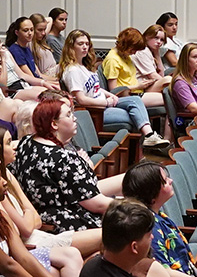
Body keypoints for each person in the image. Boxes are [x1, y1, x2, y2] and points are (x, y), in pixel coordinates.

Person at [12, 96, 122, 232]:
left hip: (47, 208)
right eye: (69, 115)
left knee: (130, 178)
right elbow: (97, 205)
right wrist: (132, 207)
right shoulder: (63, 158)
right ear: (54, 124)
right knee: (130, 219)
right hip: (67, 218)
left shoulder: (27, 142)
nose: (75, 118)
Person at [0, 124, 103, 256]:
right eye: (8, 143)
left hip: (40, 235)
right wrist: (28, 213)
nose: (14, 146)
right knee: (107, 236)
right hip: (30, 245)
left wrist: (28, 216)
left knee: (103, 246)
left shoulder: (8, 174)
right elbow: (25, 229)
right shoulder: (2, 183)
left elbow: (36, 218)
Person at [59, 29, 170, 149]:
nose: (85, 47)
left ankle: (149, 136)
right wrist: (106, 102)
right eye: (80, 44)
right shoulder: (72, 71)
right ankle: (142, 145)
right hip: (96, 111)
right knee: (134, 115)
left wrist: (109, 95)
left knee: (135, 101)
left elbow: (95, 88)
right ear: (71, 47)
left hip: (105, 102)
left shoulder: (84, 67)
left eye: (87, 44)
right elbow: (81, 100)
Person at [102, 28, 169, 108]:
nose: (135, 53)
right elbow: (114, 90)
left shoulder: (126, 56)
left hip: (138, 90)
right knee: (168, 98)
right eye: (133, 49)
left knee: (169, 88)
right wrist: (137, 86)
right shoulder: (112, 60)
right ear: (126, 45)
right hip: (129, 95)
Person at [6, 17, 59, 86]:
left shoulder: (27, 49)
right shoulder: (15, 50)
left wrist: (57, 80)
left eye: (32, 30)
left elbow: (38, 74)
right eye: (25, 30)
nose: (30, 33)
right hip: (29, 85)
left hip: (37, 80)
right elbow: (30, 77)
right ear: (17, 32)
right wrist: (48, 83)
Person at [132, 25, 172, 93]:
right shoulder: (142, 51)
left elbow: (161, 74)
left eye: (162, 40)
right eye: (156, 38)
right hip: (141, 87)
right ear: (147, 37)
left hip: (150, 84)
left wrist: (157, 54)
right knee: (168, 80)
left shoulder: (151, 51)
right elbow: (153, 76)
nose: (159, 42)